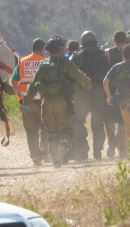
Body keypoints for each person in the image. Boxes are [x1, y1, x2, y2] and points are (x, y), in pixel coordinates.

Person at [23, 36, 91, 168]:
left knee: (52, 133)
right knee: (67, 129)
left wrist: (26, 103)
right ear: (60, 50)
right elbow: (78, 74)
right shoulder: (65, 63)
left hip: (46, 104)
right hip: (63, 102)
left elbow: (33, 86)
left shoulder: (43, 65)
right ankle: (64, 144)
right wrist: (88, 83)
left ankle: (56, 161)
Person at [70, 31, 109, 160]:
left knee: (78, 122)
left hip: (83, 93)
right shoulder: (103, 56)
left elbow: (71, 74)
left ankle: (83, 150)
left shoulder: (78, 56)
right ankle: (97, 153)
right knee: (98, 124)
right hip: (99, 93)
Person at [12, 38, 50, 166]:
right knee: (45, 128)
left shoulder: (22, 61)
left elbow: (14, 81)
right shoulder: (45, 62)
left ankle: (36, 159)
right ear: (42, 49)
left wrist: (19, 93)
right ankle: (45, 153)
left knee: (31, 132)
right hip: (42, 103)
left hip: (26, 104)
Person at [103, 44, 130, 158]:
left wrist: (108, 97)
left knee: (128, 127)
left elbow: (105, 81)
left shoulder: (116, 67)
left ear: (123, 55)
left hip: (123, 102)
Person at [104, 30, 127, 158]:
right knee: (122, 121)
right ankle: (122, 147)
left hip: (110, 91)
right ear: (125, 41)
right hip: (124, 92)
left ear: (114, 40)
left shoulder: (107, 53)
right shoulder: (128, 53)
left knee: (109, 120)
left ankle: (112, 142)